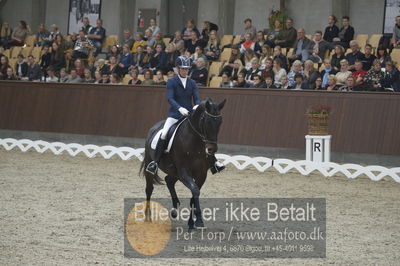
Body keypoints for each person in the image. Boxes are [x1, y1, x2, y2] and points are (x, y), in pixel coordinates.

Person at [146, 55, 225, 175]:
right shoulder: (172, 82)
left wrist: (197, 106)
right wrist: (179, 108)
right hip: (174, 115)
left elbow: (197, 98)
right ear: (177, 69)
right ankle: (155, 163)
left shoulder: (192, 82)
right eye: (183, 68)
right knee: (164, 134)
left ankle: (213, 162)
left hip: (189, 115)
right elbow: (170, 98)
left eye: (187, 68)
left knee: (204, 133)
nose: (185, 71)